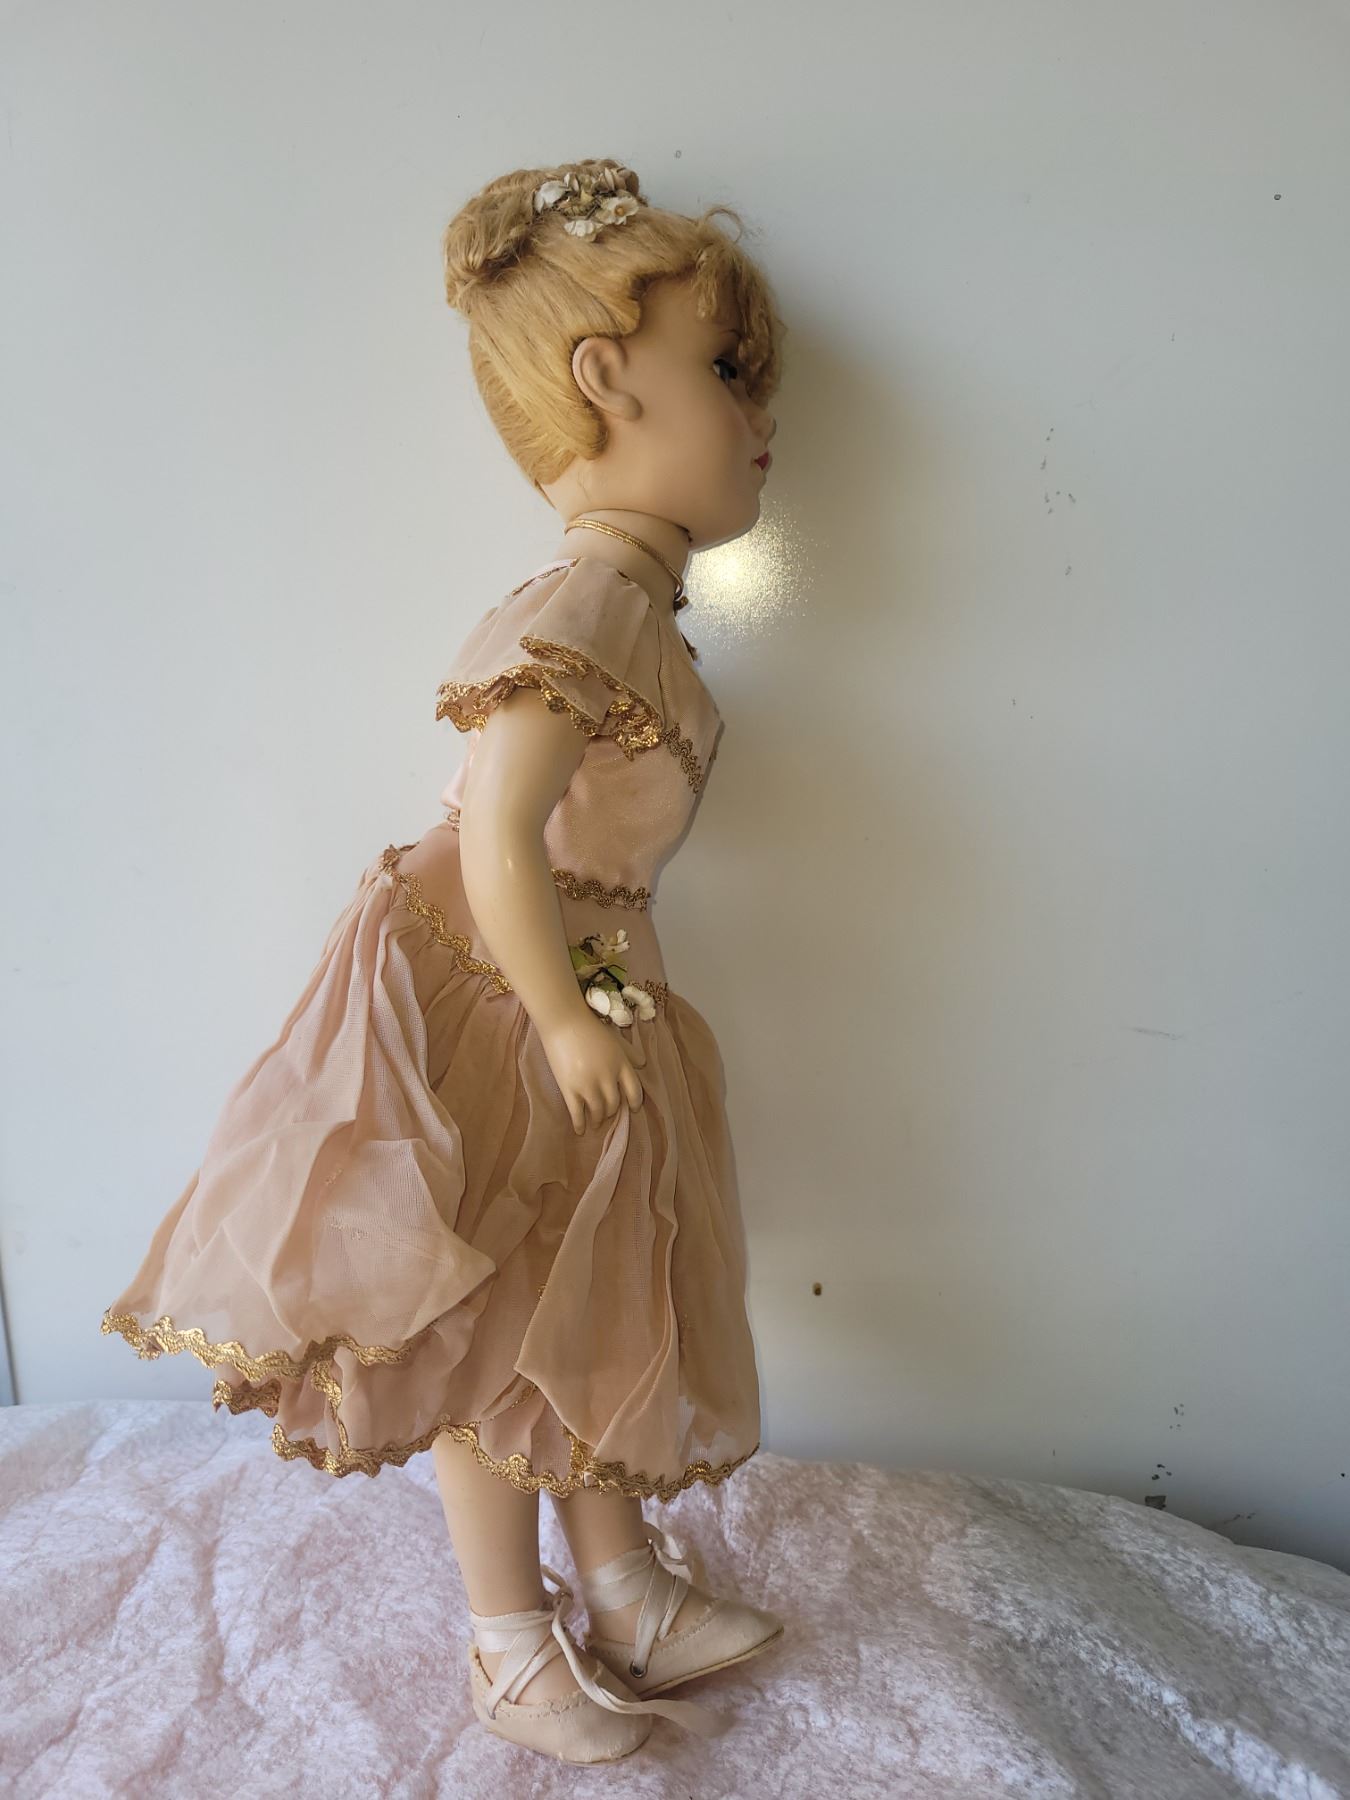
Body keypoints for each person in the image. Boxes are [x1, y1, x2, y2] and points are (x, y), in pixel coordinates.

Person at [100, 158, 788, 1765]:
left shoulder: (633, 608)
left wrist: (589, 1001)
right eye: (727, 370)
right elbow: (497, 823)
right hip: (502, 990)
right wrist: (555, 1012)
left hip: (584, 980)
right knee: (490, 1324)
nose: (763, 417)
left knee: (581, 1309)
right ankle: (507, 1642)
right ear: (605, 378)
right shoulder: (588, 601)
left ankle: (621, 1588)